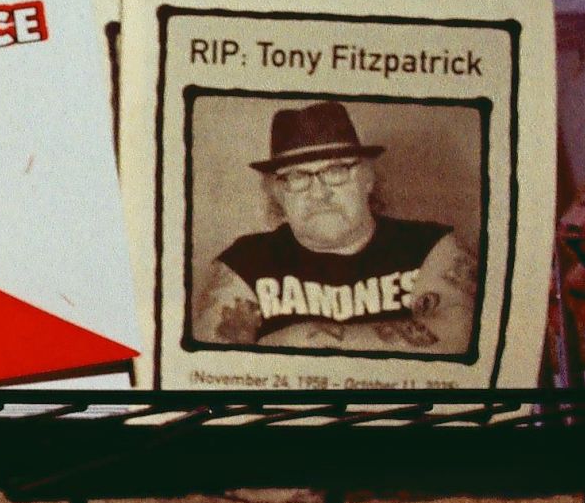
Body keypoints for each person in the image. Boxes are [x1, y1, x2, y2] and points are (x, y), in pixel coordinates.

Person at [189, 97, 476, 358]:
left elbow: (457, 338)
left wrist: (305, 338)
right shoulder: (243, 262)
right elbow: (213, 364)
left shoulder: (431, 245)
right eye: (298, 176)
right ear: (278, 193)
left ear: (368, 179)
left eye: (336, 171)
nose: (319, 192)